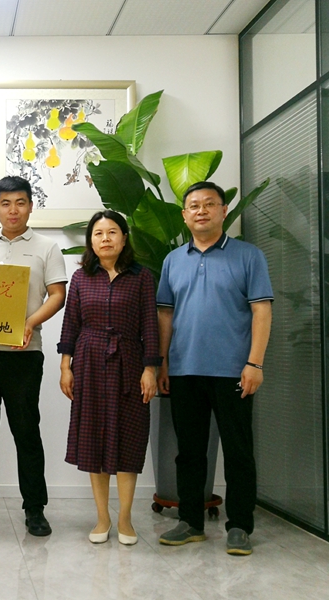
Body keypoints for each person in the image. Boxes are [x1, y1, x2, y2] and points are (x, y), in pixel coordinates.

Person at [157, 181, 273, 556]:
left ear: (224, 211)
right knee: (189, 452)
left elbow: (261, 310)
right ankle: (190, 522)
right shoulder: (173, 260)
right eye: (194, 205)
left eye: (210, 204)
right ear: (184, 215)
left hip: (234, 371)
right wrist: (163, 362)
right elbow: (165, 315)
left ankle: (239, 525)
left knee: (238, 452)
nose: (201, 210)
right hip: (184, 370)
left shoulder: (249, 256)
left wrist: (254, 362)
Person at [0, 175, 67, 537]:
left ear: (30, 206)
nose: (13, 210)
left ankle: (34, 509)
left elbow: (57, 295)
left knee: (26, 432)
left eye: (20, 202)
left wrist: (29, 323)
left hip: (23, 354)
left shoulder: (47, 248)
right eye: (5, 203)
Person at [58, 210, 160, 546]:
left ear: (124, 238)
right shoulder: (81, 278)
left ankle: (125, 518)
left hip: (129, 362)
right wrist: (65, 366)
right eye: (99, 233)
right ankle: (102, 518)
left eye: (112, 232)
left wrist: (150, 369)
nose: (105, 239)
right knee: (94, 440)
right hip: (88, 362)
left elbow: (150, 325)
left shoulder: (141, 278)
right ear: (91, 241)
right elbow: (71, 324)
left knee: (129, 439)